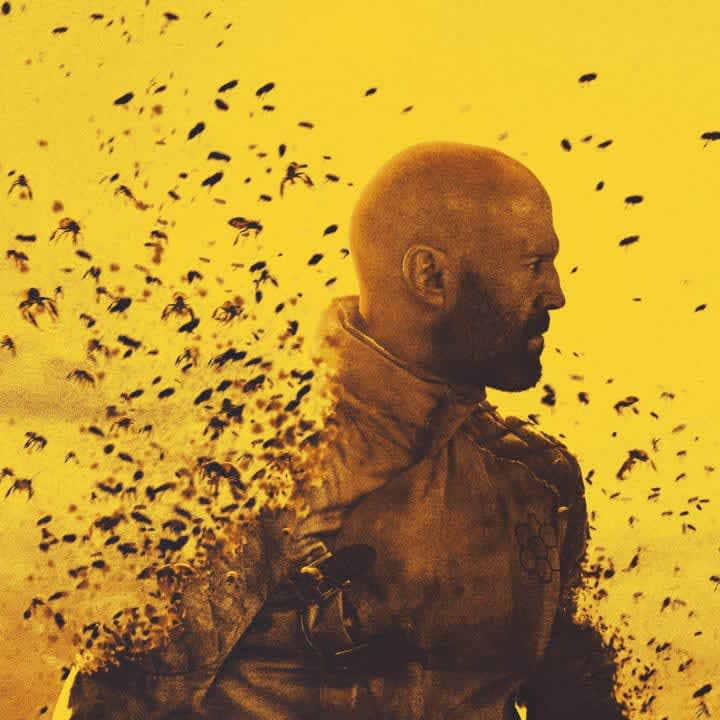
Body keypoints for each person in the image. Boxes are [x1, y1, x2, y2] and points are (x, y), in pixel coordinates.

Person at [56, 142, 625, 719]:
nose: (556, 294)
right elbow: (107, 707)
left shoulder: (539, 482)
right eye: (533, 265)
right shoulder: (247, 476)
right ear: (430, 276)